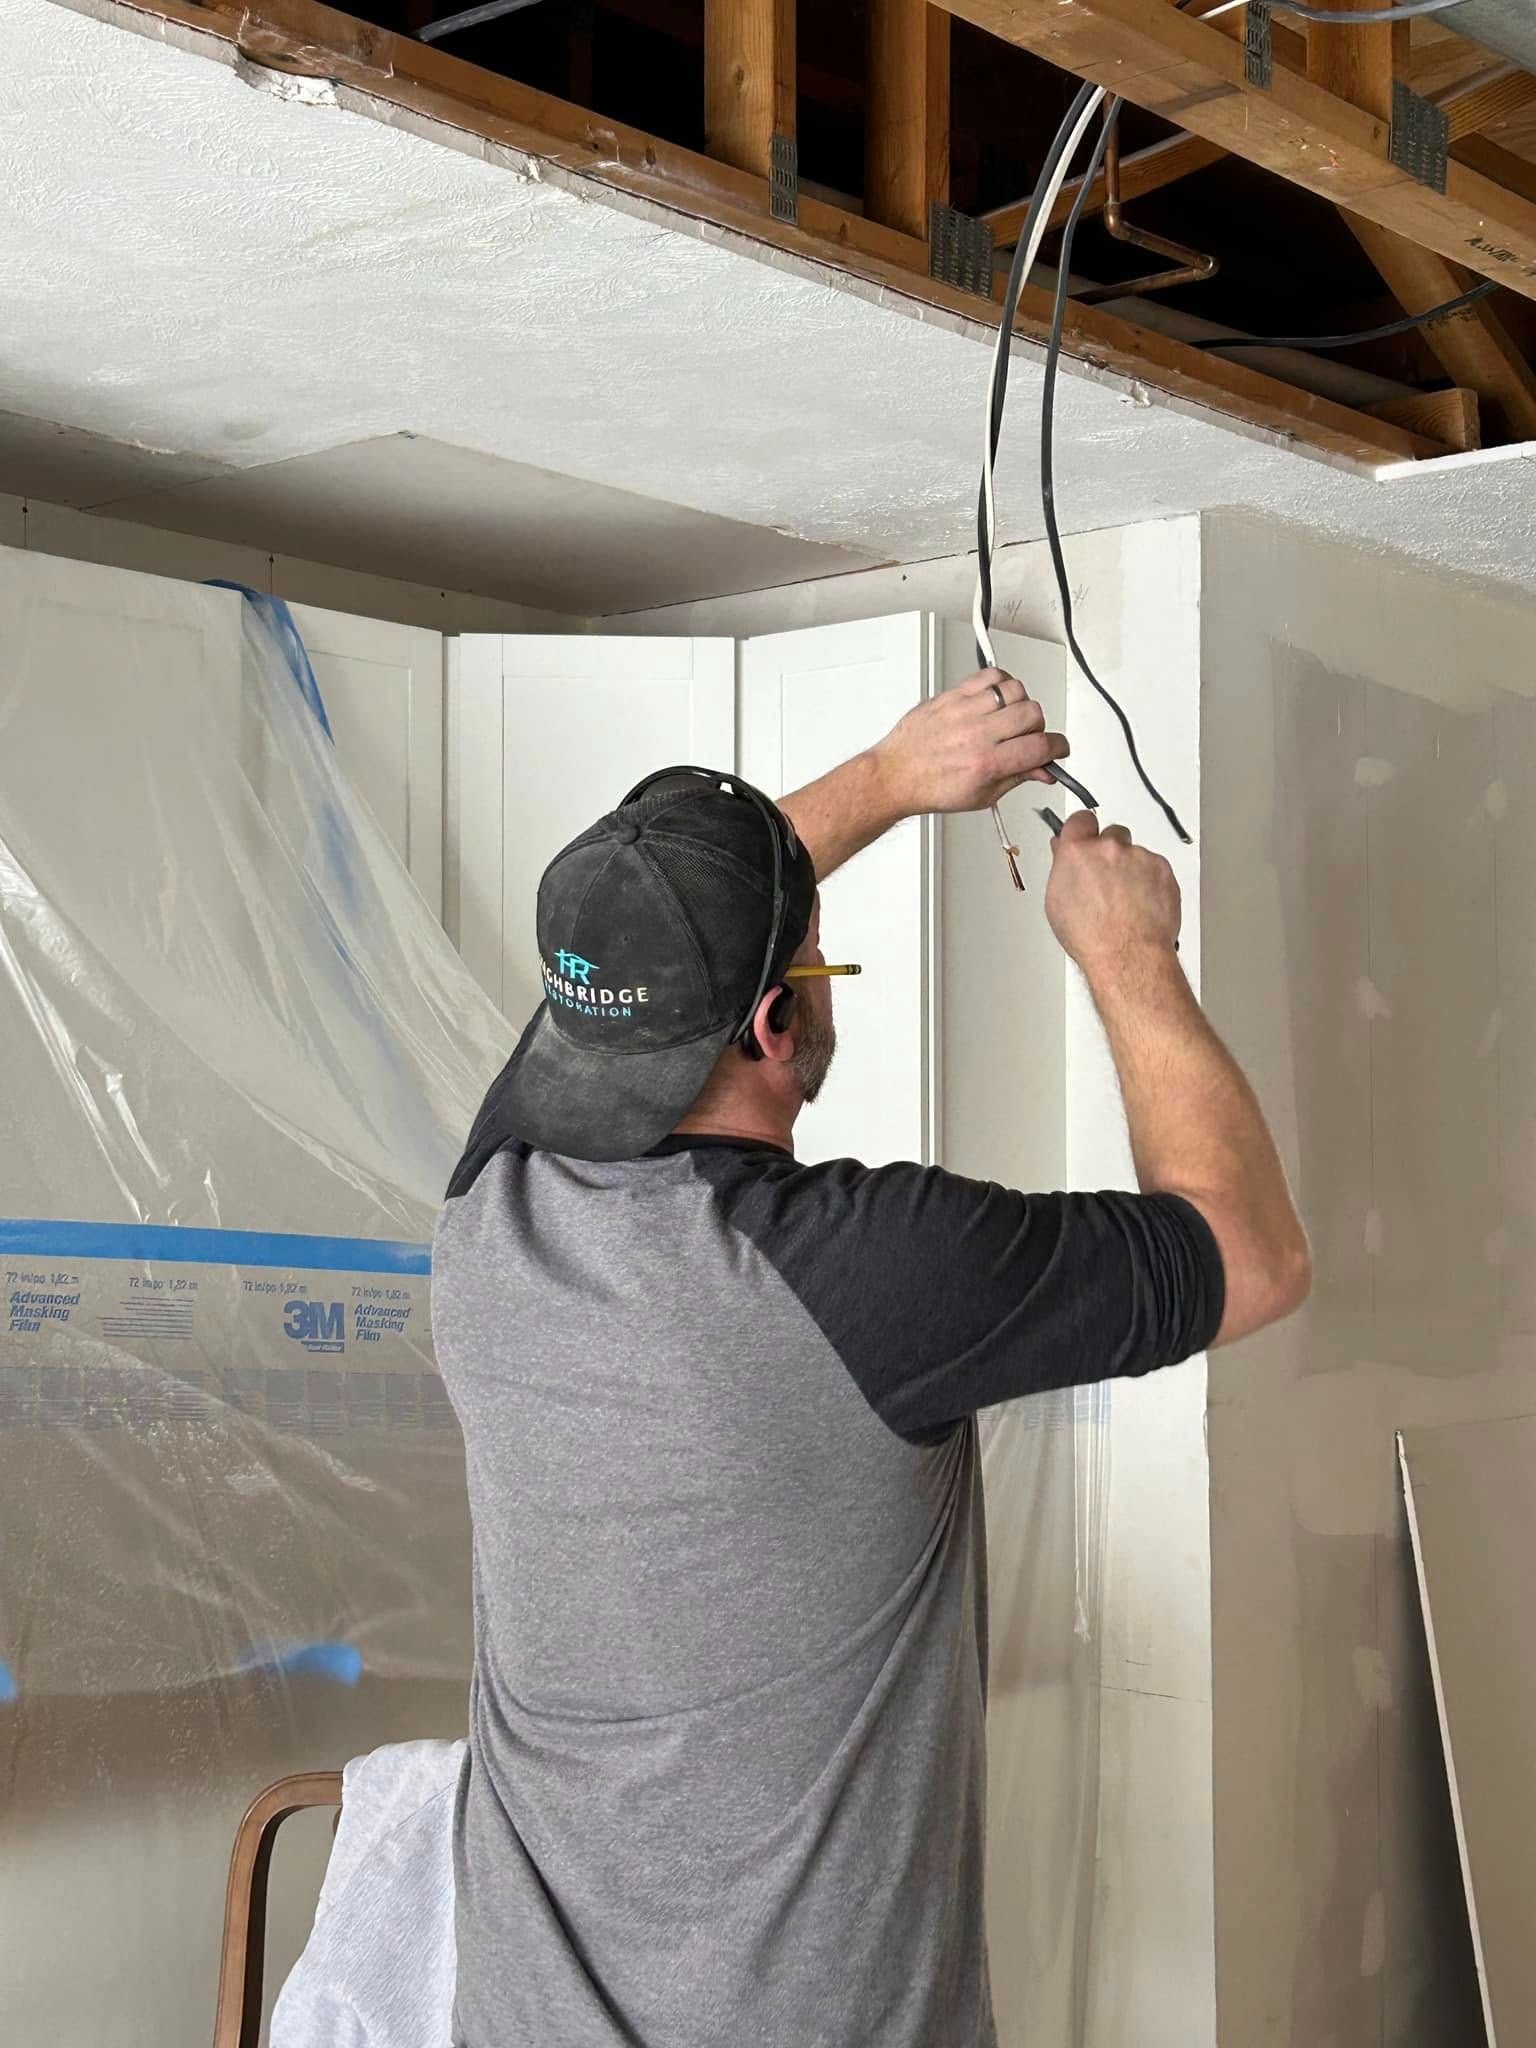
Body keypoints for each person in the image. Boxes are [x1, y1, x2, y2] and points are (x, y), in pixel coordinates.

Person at [432, 667, 1310, 2048]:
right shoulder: (870, 1278)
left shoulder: (495, 1211)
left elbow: (656, 942)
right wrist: (1127, 952)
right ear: (781, 1025)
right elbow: (1251, 1254)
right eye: (814, 956)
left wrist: (897, 776)